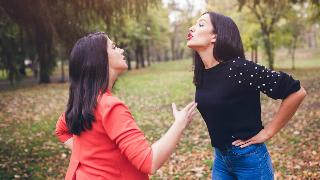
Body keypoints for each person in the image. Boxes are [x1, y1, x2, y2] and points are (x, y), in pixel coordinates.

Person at [55, 32, 197, 180]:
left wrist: (92, 159)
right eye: (114, 47)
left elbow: (61, 130)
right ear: (100, 59)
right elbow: (150, 162)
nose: (121, 50)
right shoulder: (110, 107)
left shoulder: (84, 101)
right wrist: (179, 124)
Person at [187, 12, 307, 179]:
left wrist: (268, 132)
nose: (191, 28)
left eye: (200, 24)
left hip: (250, 159)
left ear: (215, 36)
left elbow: (297, 91)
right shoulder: (203, 74)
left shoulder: (240, 69)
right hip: (221, 159)